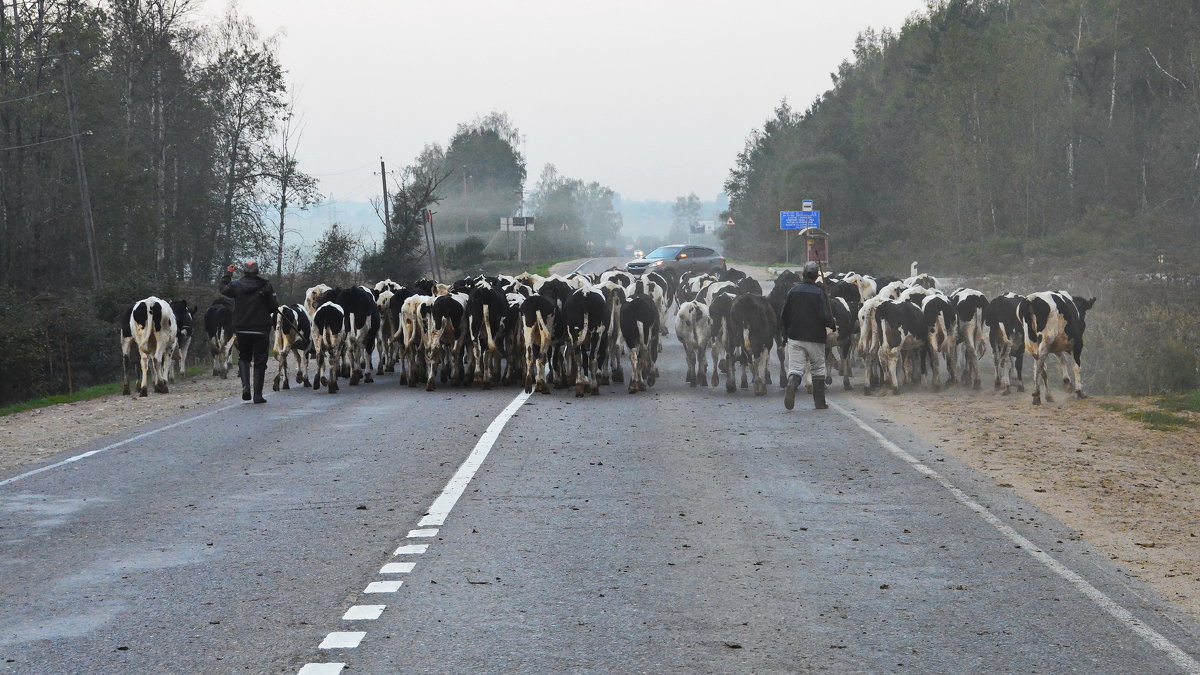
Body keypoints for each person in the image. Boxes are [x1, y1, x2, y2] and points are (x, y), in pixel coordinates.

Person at [219, 260, 280, 404]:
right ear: (257, 271)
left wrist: (228, 274)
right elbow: (273, 307)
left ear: (244, 271)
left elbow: (222, 289)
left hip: (242, 328)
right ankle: (257, 395)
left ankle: (246, 386)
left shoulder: (236, 285)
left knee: (244, 357)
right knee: (260, 361)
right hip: (261, 330)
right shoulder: (266, 285)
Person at [779, 261, 836, 410]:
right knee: (817, 369)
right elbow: (825, 316)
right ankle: (819, 402)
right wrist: (832, 323)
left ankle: (791, 385)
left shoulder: (793, 291)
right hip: (815, 338)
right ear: (817, 276)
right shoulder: (820, 293)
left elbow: (784, 315)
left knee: (796, 369)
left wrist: (785, 334)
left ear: (802, 274)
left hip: (795, 336)